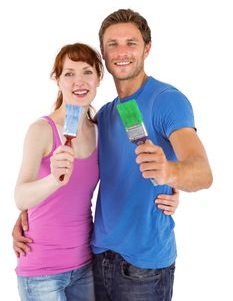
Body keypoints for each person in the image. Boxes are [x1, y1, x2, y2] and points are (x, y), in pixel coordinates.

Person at [13, 40, 179, 300]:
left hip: (85, 263)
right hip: (42, 267)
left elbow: (123, 175)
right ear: (57, 79)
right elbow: (20, 197)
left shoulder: (100, 127)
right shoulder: (41, 130)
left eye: (87, 72)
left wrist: (170, 188)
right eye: (69, 73)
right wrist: (53, 182)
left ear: (99, 78)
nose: (79, 81)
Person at [90, 9, 213, 301]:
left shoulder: (166, 100)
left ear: (147, 48)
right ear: (103, 53)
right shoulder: (105, 114)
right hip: (97, 255)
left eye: (131, 43)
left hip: (144, 267)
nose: (122, 52)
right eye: (113, 44)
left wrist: (169, 173)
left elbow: (202, 173)